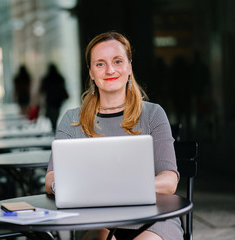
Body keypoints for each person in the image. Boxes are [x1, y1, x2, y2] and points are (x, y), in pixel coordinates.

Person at [44, 31, 182, 240]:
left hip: (154, 220)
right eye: (100, 64)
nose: (110, 70)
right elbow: (51, 178)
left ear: (129, 67)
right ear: (90, 72)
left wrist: (103, 189)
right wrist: (63, 188)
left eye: (117, 61)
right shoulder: (72, 119)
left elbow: (169, 181)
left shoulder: (153, 114)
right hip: (97, 222)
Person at [40, 63, 68, 131]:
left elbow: (42, 89)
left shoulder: (46, 79)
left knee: (51, 114)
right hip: (58, 100)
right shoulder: (59, 78)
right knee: (56, 114)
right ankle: (54, 126)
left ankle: (53, 126)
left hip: (50, 100)